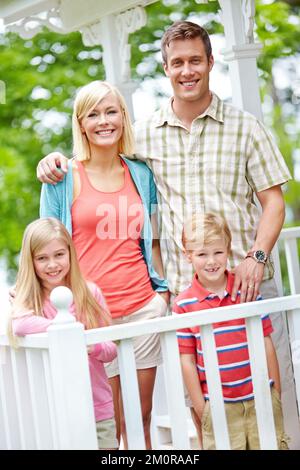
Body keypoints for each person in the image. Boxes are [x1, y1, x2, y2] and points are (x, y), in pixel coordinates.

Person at [35, 21, 292, 437]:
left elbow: (274, 203)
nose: (187, 70)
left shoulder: (245, 128)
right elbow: (95, 159)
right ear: (165, 68)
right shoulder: (146, 138)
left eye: (195, 60)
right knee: (201, 409)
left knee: (270, 404)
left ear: (211, 62)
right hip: (181, 299)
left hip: (244, 288)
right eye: (177, 63)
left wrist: (255, 259)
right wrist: (52, 160)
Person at [39, 80, 169, 449]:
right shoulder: (63, 177)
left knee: (142, 417)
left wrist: (163, 292)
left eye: (111, 111)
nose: (103, 121)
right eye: (93, 114)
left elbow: (153, 237)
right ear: (81, 124)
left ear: (123, 118)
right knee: (111, 422)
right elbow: (48, 245)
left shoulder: (141, 174)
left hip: (143, 308)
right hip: (94, 316)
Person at [174, 212, 289, 450]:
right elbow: (187, 361)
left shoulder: (245, 291)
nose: (211, 261)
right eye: (202, 254)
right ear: (188, 256)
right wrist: (201, 408)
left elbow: (265, 341)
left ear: (228, 249)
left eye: (218, 252)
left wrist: (274, 390)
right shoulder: (183, 305)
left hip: (260, 396)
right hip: (218, 405)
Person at [8, 217, 119, 450]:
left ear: (70, 253)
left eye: (59, 254)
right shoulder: (29, 299)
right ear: (31, 261)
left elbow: (110, 349)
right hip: (52, 410)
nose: (52, 265)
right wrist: (69, 331)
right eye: (42, 258)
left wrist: (90, 345)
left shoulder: (89, 293)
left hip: (97, 406)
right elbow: (19, 325)